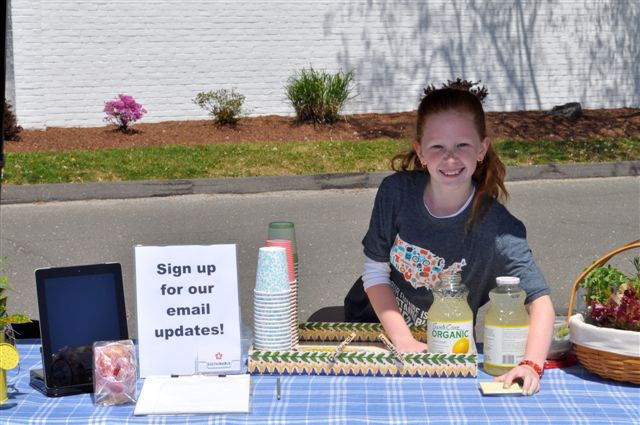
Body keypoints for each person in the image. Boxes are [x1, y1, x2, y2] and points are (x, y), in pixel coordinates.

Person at [344, 87, 555, 395]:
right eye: (438, 146)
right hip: (373, 333)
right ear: (420, 150)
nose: (450, 157)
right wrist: (403, 341)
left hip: (447, 350)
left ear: (482, 149)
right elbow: (375, 274)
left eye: (462, 145)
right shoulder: (396, 193)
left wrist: (532, 364)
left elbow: (540, 300)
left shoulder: (498, 227)